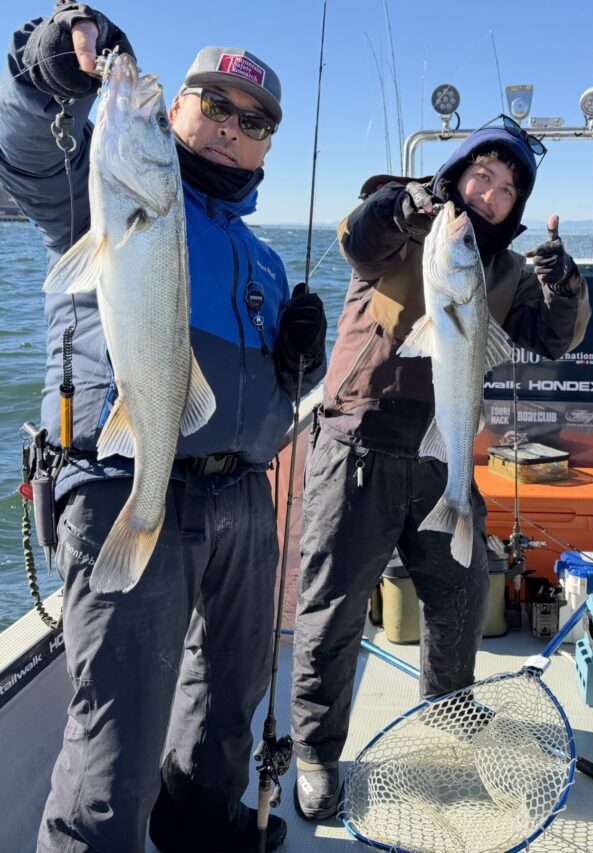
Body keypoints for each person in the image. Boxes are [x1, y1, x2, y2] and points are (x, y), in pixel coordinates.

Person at [0, 5, 327, 851]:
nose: (229, 129)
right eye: (212, 105)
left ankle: (203, 829)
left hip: (242, 500)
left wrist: (302, 361)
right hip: (127, 485)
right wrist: (49, 63)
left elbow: (266, 398)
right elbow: (28, 147)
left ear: (266, 147)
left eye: (253, 122)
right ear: (175, 110)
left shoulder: (263, 258)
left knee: (228, 703)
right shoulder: (102, 189)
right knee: (117, 737)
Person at [289, 119, 591, 819]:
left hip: (441, 454)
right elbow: (359, 240)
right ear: (455, 174)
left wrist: (565, 286)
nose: (492, 195)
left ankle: (447, 710)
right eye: (483, 176)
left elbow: (551, 338)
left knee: (461, 598)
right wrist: (403, 208)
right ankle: (316, 752)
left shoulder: (506, 271)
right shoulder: (402, 225)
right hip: (357, 447)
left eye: (508, 189)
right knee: (332, 612)